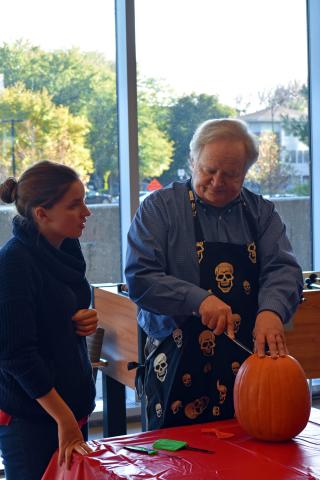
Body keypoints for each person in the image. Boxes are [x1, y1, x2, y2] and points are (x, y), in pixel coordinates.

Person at [125, 118, 303, 430]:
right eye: (209, 170)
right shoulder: (158, 209)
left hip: (245, 362)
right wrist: (198, 300)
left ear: (246, 173)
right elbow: (141, 277)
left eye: (231, 174)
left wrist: (272, 311)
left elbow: (283, 268)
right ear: (192, 161)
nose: (218, 181)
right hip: (176, 362)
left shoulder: (261, 213)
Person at [0, 161, 98, 480]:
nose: (86, 212)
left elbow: (66, 304)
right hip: (33, 417)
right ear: (42, 214)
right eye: (74, 204)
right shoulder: (13, 263)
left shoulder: (66, 245)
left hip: (69, 409)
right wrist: (64, 418)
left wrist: (83, 317)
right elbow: (16, 355)